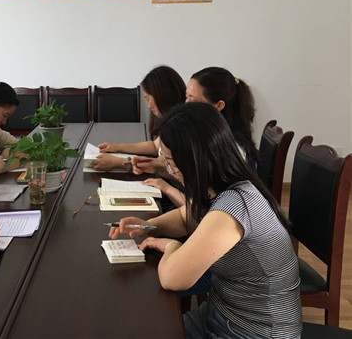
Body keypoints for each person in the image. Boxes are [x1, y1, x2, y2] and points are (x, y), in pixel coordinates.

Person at [110, 103, 301, 339]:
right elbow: (188, 217)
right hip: (222, 314)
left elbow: (172, 277)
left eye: (169, 161)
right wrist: (148, 225)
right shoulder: (222, 186)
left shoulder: (235, 206)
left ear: (194, 161)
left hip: (252, 331)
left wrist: (171, 246)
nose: (168, 169)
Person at [138, 66, 259, 209]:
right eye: (186, 96)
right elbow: (192, 181)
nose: (186, 104)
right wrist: (156, 167)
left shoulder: (227, 147)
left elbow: (203, 208)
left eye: (192, 98)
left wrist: (165, 187)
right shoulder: (206, 134)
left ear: (218, 105)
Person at [91, 65, 186, 171]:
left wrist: (117, 162)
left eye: (148, 99)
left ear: (162, 95)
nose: (148, 106)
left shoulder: (181, 126)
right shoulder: (173, 120)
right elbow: (154, 146)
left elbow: (162, 165)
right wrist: (116, 147)